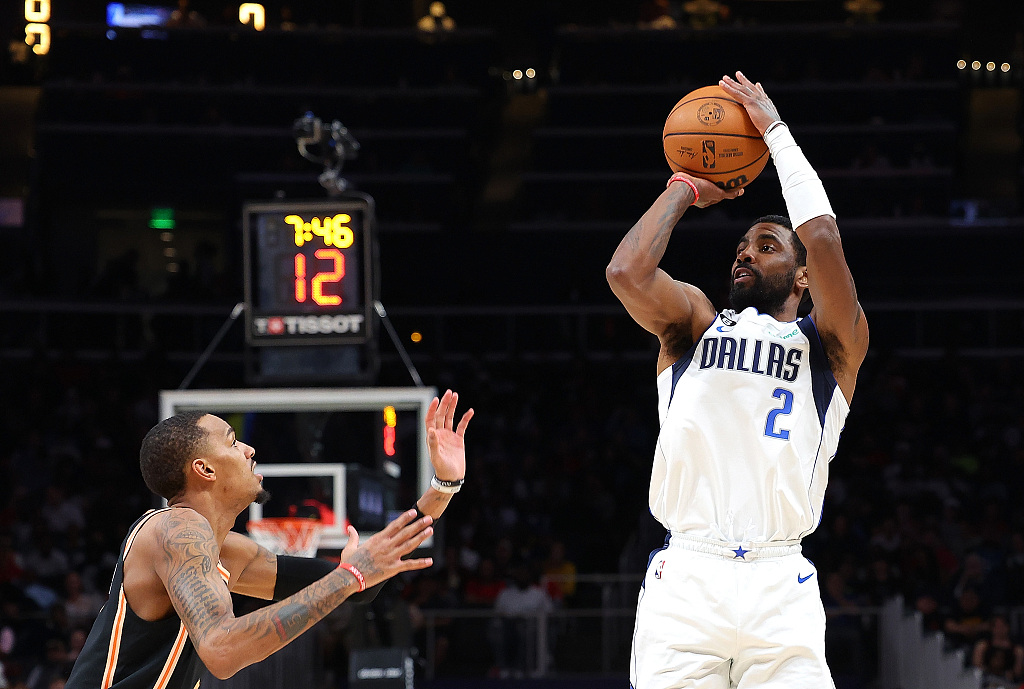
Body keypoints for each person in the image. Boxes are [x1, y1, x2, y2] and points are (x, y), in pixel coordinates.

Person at [607, 71, 869, 688]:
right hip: (688, 580)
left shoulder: (829, 347)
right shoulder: (696, 323)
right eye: (743, 244)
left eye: (768, 245)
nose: (745, 252)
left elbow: (823, 235)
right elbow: (626, 273)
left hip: (780, 586)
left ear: (802, 278)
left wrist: (775, 133)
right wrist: (683, 189)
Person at [65, 390, 473, 688]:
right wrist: (351, 575)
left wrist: (441, 488)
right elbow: (222, 651)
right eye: (231, 440)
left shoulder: (230, 552)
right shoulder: (175, 529)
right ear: (204, 469)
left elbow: (357, 588)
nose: (248, 448)